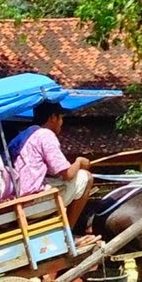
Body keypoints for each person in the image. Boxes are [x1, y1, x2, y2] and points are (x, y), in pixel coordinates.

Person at [8, 102, 96, 242]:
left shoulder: (25, 135)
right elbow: (67, 174)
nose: (61, 123)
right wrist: (79, 162)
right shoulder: (45, 135)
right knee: (86, 177)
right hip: (34, 201)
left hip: (20, 199)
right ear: (53, 118)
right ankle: (68, 234)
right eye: (61, 118)